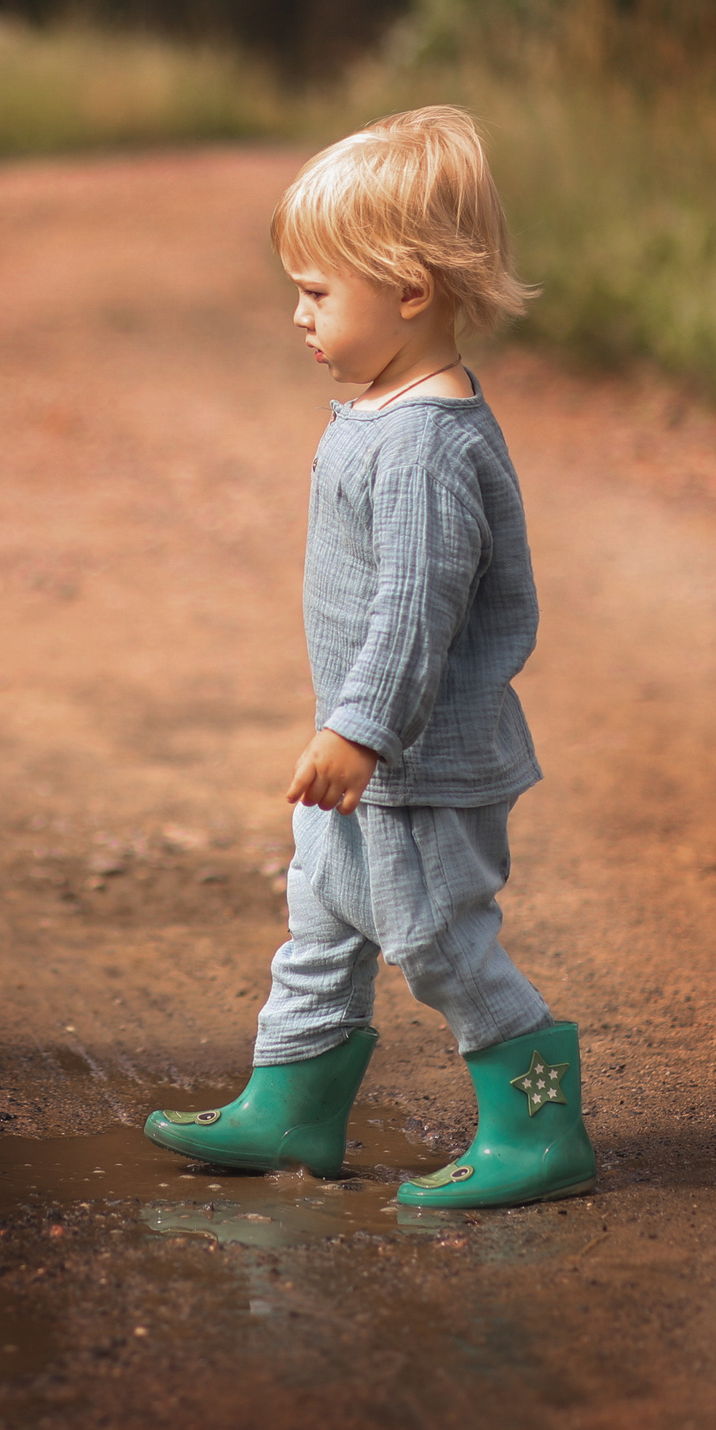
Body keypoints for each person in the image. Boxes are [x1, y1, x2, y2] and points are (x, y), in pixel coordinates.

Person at [140, 107, 594, 1208]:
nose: (297, 315)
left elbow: (413, 610)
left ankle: (540, 1128)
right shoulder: (381, 412)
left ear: (407, 291)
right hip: (368, 760)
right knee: (320, 924)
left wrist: (359, 729)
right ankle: (289, 1107)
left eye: (315, 291)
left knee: (438, 942)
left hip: (413, 766)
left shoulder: (428, 446)